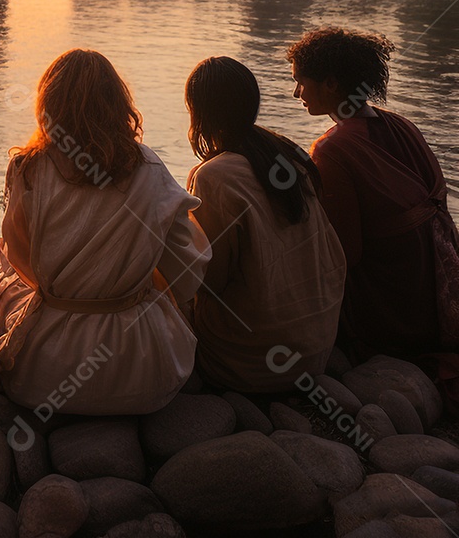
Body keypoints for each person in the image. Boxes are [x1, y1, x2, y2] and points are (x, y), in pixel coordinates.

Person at [0, 49, 211, 415]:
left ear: (48, 106)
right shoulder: (150, 168)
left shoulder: (28, 168)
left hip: (44, 375)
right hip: (142, 374)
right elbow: (186, 270)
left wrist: (67, 288)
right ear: (118, 104)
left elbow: (22, 261)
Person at [287, 26, 459, 361]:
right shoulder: (401, 124)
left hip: (395, 313)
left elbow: (345, 255)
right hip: (431, 288)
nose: (296, 93)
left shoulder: (333, 149)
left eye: (300, 82)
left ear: (331, 83)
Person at [184, 56, 346, 392]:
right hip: (317, 346)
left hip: (253, 361)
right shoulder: (288, 154)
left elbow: (210, 280)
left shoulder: (214, 176)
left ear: (198, 111)